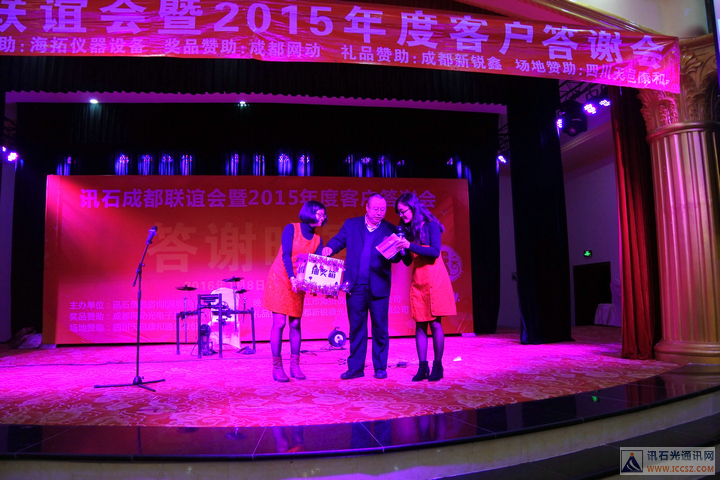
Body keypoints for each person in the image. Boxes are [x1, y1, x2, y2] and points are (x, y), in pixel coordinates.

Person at [322, 193, 401, 380]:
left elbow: (397, 258)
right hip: (355, 286)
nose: (379, 213)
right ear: (367, 207)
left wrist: (396, 250)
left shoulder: (390, 229)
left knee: (380, 328)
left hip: (379, 286)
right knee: (357, 327)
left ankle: (380, 367)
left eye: (383, 209)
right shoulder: (351, 225)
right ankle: (356, 368)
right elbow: (339, 240)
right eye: (376, 209)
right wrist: (329, 248)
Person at [263, 200, 327, 382]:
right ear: (309, 212)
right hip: (281, 277)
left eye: (323, 215)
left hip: (299, 282)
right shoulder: (291, 228)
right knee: (279, 323)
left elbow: (316, 265)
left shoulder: (318, 240)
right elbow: (286, 254)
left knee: (295, 324)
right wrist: (291, 277)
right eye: (319, 213)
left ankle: (295, 365)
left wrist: (324, 283)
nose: (322, 217)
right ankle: (277, 367)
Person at [395, 192, 456, 382]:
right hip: (418, 280)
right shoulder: (408, 231)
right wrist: (400, 249)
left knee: (435, 323)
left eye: (403, 211)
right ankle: (423, 367)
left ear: (413, 207)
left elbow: (435, 252)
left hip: (435, 279)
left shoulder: (431, 225)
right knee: (420, 323)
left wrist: (409, 245)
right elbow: (407, 261)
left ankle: (438, 366)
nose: (402, 215)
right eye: (399, 212)